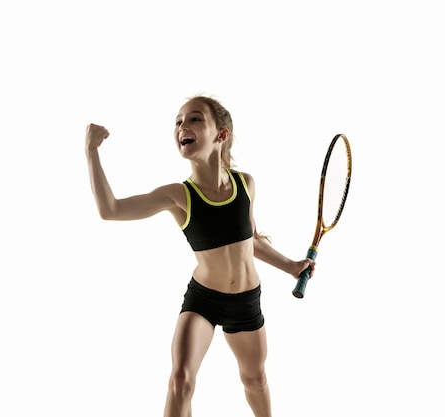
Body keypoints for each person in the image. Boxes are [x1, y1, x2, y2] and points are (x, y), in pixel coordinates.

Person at [85, 95, 315, 417]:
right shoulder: (178, 196)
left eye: (194, 119)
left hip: (245, 302)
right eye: (178, 121)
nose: (182, 126)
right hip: (203, 299)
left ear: (221, 135)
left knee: (256, 379)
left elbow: (248, 241)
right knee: (180, 380)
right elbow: (110, 210)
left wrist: (290, 265)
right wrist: (92, 152)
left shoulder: (245, 184)